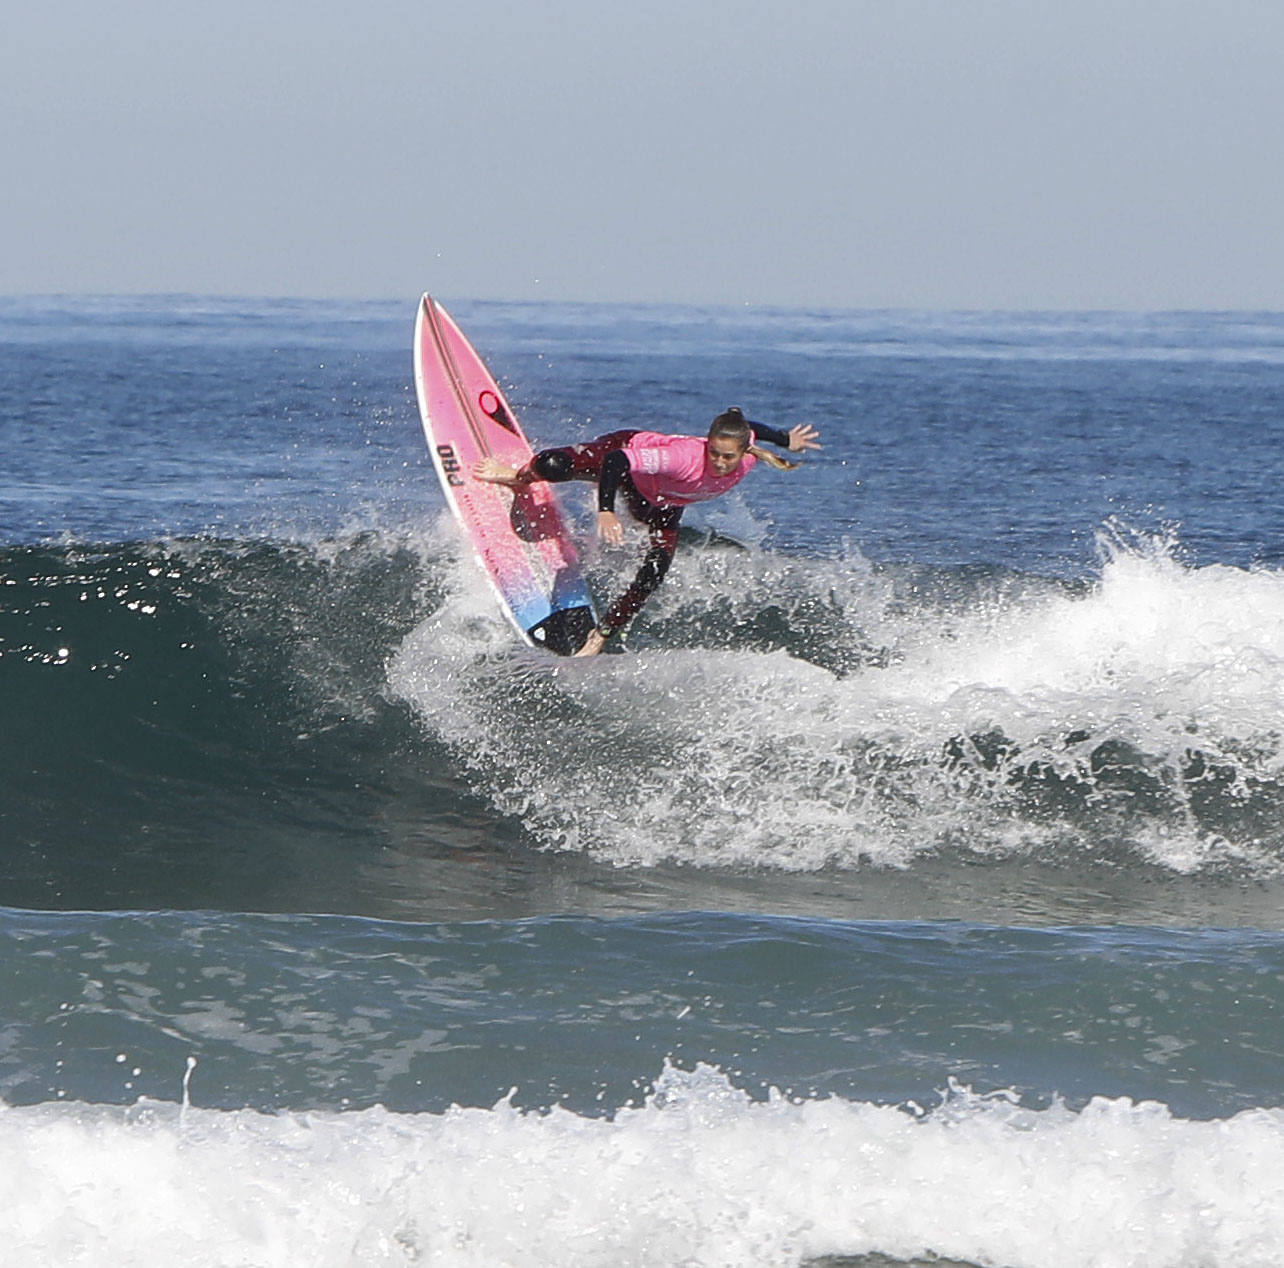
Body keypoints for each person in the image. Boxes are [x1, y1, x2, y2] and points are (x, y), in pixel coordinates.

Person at [474, 407, 821, 656]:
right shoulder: (683, 458)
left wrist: (785, 438)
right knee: (553, 464)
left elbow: (748, 424)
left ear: (744, 451)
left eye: (727, 457)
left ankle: (599, 636)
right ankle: (517, 478)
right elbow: (617, 463)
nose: (718, 462)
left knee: (653, 574)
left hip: (661, 504)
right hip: (626, 458)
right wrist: (606, 510)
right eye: (714, 452)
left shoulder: (746, 456)